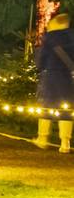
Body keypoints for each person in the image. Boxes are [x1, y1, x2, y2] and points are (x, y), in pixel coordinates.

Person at [35, 12, 74, 153]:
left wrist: (39, 68)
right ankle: (65, 142)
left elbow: (41, 60)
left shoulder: (49, 38)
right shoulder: (72, 37)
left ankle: (43, 138)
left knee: (46, 107)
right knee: (66, 109)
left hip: (51, 76)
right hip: (68, 79)